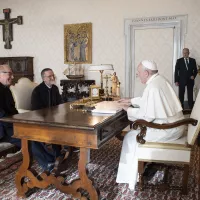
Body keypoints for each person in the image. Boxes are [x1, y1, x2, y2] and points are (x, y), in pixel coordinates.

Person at [116, 60, 185, 191]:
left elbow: (147, 117)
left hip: (168, 129)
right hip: (174, 126)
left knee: (131, 136)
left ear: (146, 73)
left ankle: (130, 178)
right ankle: (140, 167)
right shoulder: (159, 80)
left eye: (138, 73)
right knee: (131, 135)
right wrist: (130, 100)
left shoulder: (153, 86)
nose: (138, 76)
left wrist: (128, 110)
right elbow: (149, 101)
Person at [31, 68, 64, 172]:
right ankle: (56, 155)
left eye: (53, 75)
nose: (52, 78)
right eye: (50, 76)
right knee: (55, 128)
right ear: (44, 78)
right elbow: (36, 110)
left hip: (53, 118)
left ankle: (61, 153)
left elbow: (60, 104)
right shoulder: (37, 91)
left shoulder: (54, 88)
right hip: (41, 119)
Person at [0, 64, 21, 147]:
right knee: (26, 137)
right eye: (9, 74)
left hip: (10, 124)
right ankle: (49, 159)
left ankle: (51, 157)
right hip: (3, 128)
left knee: (33, 133)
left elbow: (12, 109)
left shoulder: (6, 89)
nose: (12, 77)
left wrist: (20, 120)